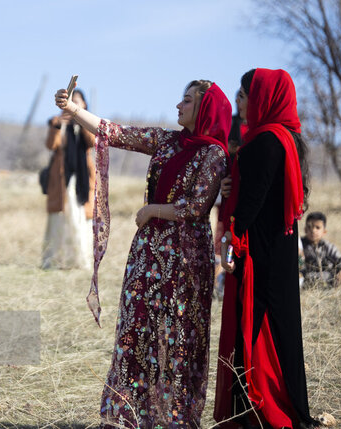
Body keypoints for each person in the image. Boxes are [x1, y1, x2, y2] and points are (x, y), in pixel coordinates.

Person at [54, 79, 230, 427]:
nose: (178, 107)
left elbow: (196, 208)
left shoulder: (215, 154)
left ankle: (174, 417)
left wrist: (152, 211)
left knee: (179, 335)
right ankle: (131, 415)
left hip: (186, 261)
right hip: (148, 255)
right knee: (137, 327)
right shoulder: (168, 141)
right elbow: (116, 132)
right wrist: (74, 111)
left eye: (187, 101)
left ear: (206, 109)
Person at [216, 69, 317, 428]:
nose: (240, 103)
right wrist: (232, 186)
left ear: (263, 98)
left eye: (243, 95)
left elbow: (252, 203)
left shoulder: (262, 143)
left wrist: (231, 239)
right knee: (281, 326)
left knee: (255, 326)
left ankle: (256, 409)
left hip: (259, 253)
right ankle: (283, 402)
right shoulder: (287, 139)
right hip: (282, 249)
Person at [42, 89, 95, 270]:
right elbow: (51, 145)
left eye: (78, 101)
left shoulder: (88, 122)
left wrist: (80, 117)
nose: (74, 105)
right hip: (61, 178)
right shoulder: (58, 122)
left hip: (81, 180)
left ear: (85, 105)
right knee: (58, 219)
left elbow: (93, 142)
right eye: (72, 102)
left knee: (81, 220)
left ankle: (81, 261)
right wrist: (57, 125)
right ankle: (52, 261)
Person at [214, 97, 249, 300]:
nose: (238, 102)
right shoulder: (232, 123)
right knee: (223, 228)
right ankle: (221, 274)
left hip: (245, 188)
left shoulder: (260, 132)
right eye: (237, 98)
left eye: (243, 97)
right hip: (229, 182)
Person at [301, 211, 341, 288]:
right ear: (305, 230)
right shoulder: (300, 245)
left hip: (329, 274)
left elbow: (340, 260)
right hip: (308, 275)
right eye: (310, 227)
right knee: (310, 277)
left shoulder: (327, 246)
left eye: (317, 227)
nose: (313, 230)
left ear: (324, 232)